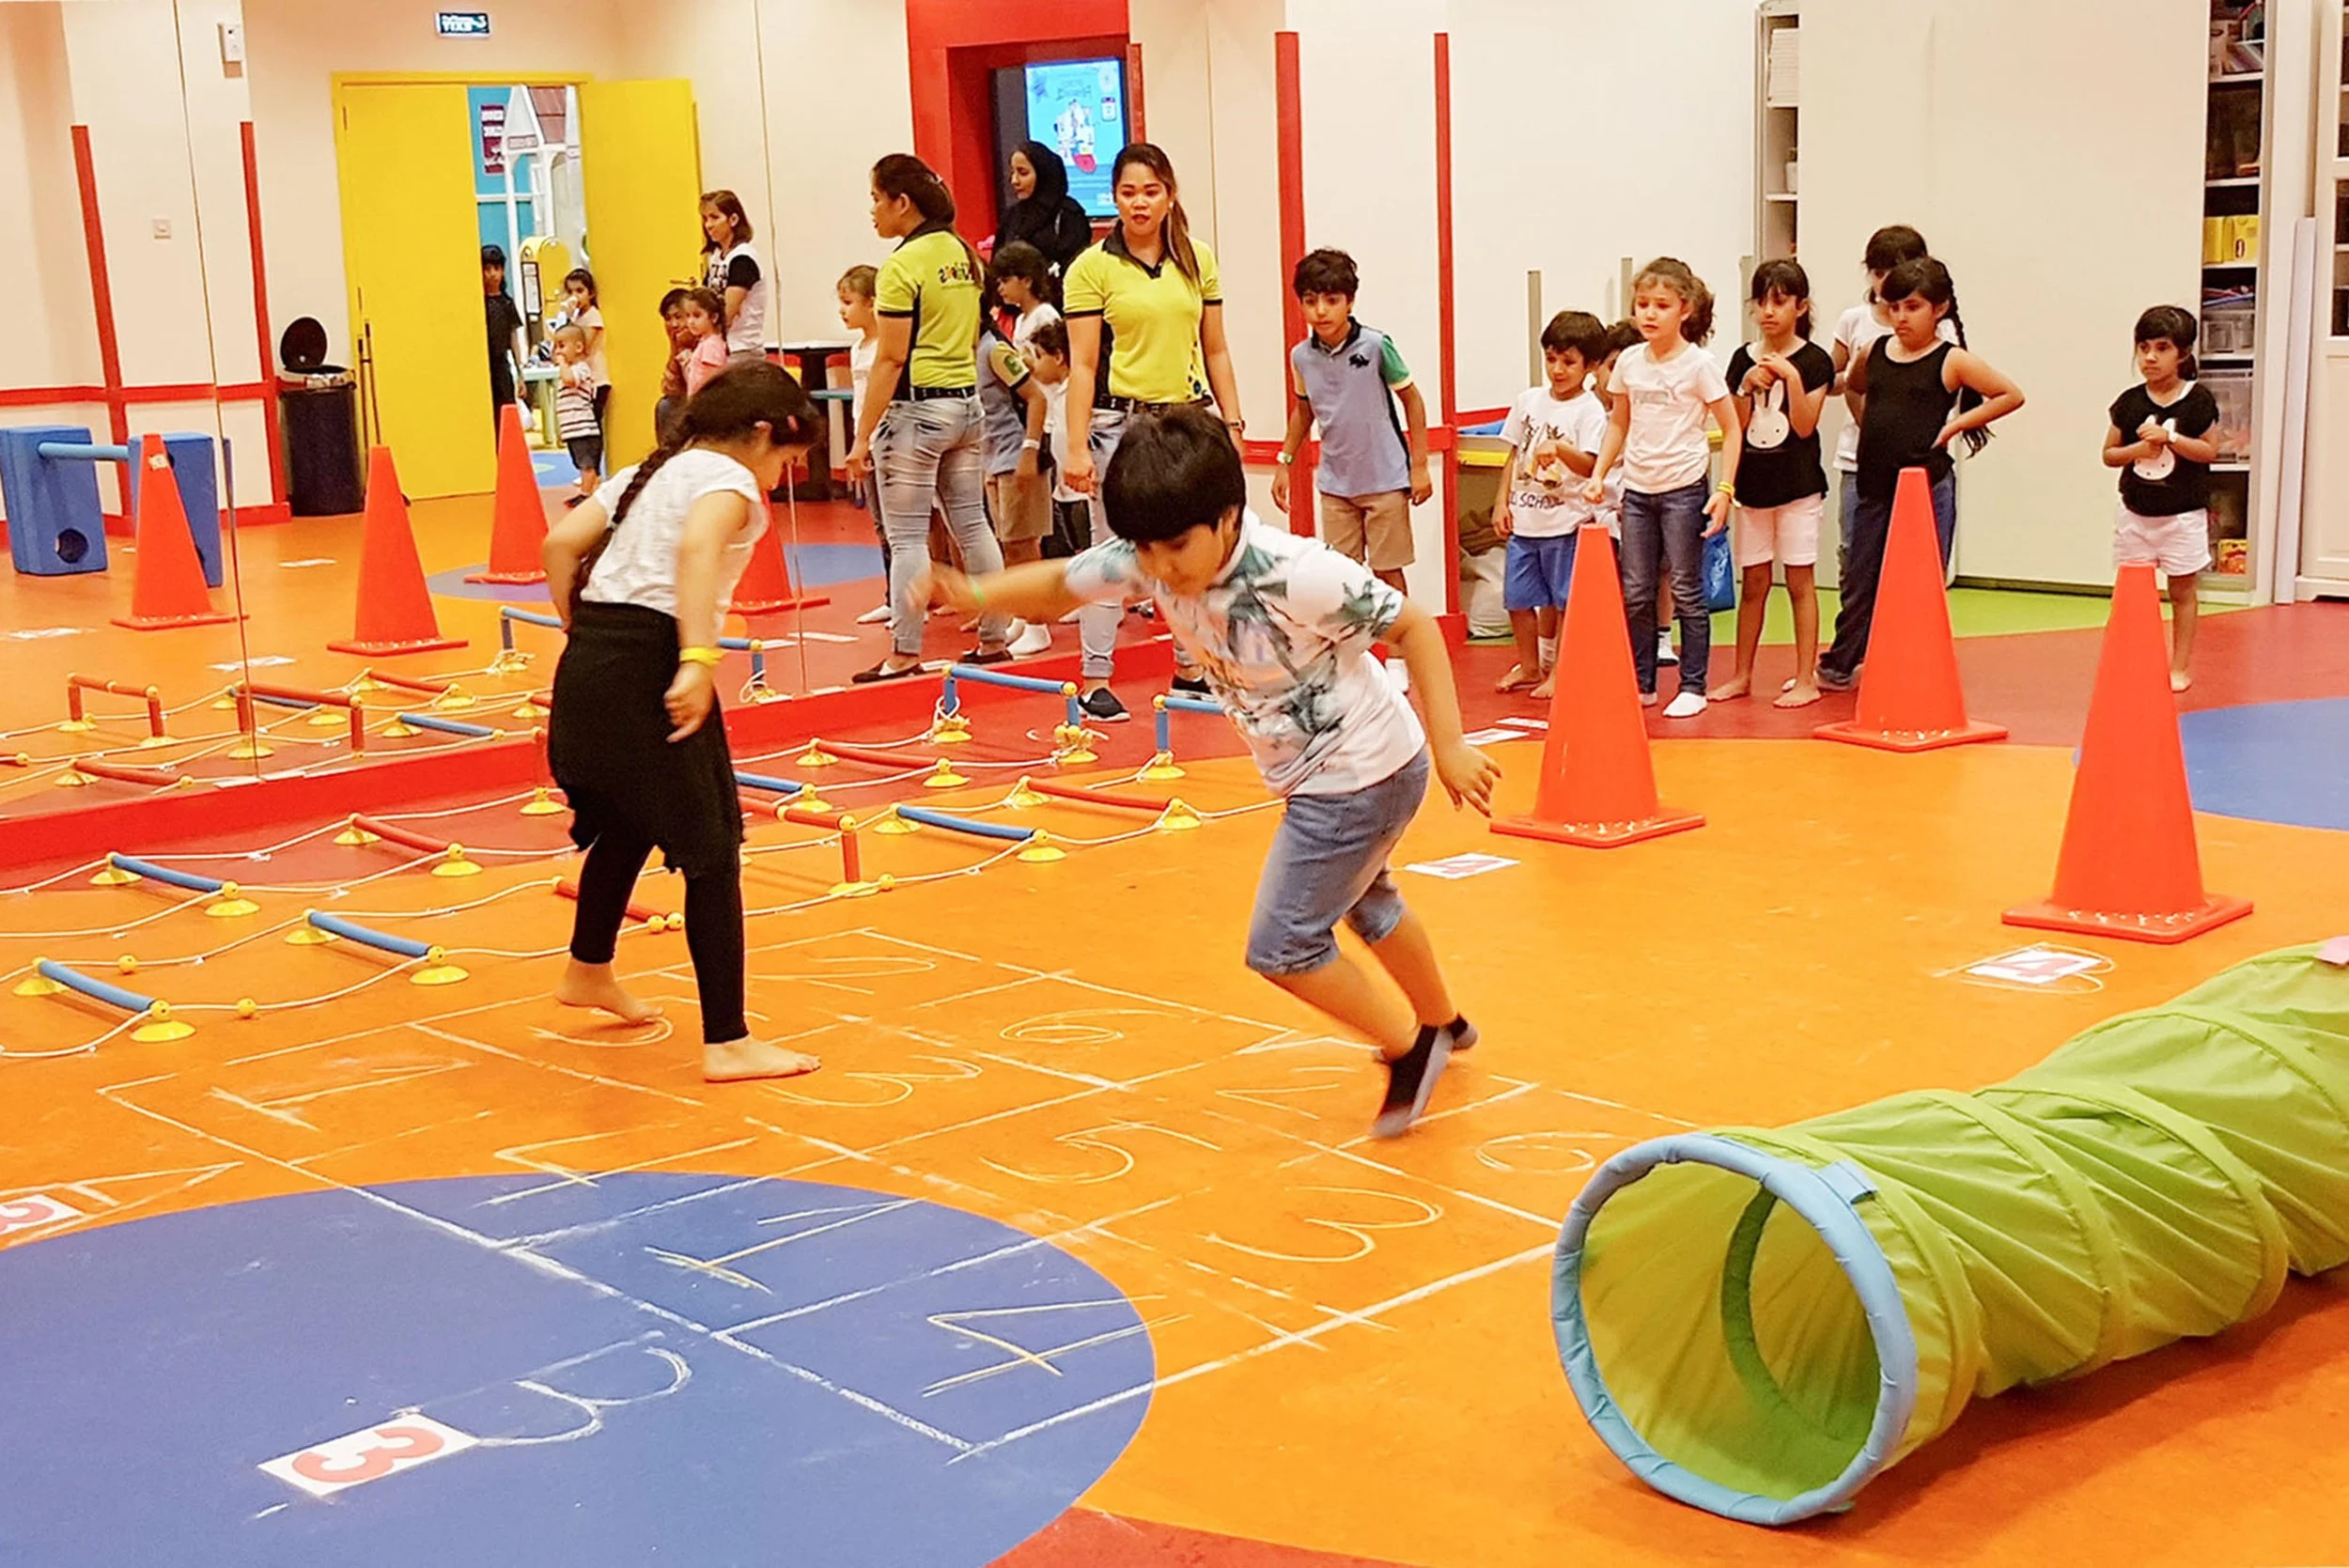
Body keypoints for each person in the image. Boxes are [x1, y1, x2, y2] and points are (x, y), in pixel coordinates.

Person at [916, 407, 1500, 1138]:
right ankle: (1446, 1020)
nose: (1161, 568)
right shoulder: (1153, 553)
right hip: (1342, 768)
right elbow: (1064, 583)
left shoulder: (1297, 572)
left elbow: (1412, 626)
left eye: (1177, 547)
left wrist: (1452, 745)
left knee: (1284, 944)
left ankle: (1410, 1049)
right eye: (1145, 549)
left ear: (1228, 518)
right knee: (1367, 900)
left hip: (1358, 772)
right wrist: (972, 593)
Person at [539, 361, 824, 1084]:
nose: (780, 476)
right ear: (761, 433)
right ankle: (727, 1039)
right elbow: (698, 550)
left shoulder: (648, 472)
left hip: (593, 655)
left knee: (633, 819)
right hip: (652, 659)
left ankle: (588, 967)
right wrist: (698, 658)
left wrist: (591, 634)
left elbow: (559, 545)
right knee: (710, 845)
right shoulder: (725, 482)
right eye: (786, 459)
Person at [1061, 143, 1241, 722]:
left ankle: (1191, 670)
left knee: (1191, 546)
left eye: (1151, 191)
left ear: (1169, 195)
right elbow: (1083, 364)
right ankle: (1094, 678)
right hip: (1121, 422)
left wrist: (1232, 424)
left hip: (1186, 417)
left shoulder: (1197, 258)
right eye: (1128, 192)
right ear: (1113, 198)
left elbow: (1215, 347)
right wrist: (1075, 445)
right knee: (1112, 551)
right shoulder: (1092, 268)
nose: (1139, 203)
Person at [844, 153, 1016, 681]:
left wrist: (861, 437)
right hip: (966, 405)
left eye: (876, 199)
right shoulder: (965, 255)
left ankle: (904, 651)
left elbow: (891, 357)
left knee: (908, 537)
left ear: (903, 203)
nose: (872, 211)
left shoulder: (902, 267)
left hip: (916, 411)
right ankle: (993, 639)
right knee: (972, 524)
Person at [1817, 256, 2026, 691]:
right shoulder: (1874, 350)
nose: (1900, 317)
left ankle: (1914, 664)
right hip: (1874, 483)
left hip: (1926, 486)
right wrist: (1868, 422)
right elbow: (1854, 386)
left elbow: (2009, 395)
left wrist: (1955, 425)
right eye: (1893, 307)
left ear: (1940, 309)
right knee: (1860, 577)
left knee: (1920, 583)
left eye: (1912, 307)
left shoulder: (1951, 360)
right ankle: (1843, 662)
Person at [1584, 258, 1742, 719]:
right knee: (1635, 590)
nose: (1650, 314)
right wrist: (1598, 474)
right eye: (1642, 305)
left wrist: (1725, 489)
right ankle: (1641, 682)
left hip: (1683, 489)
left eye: (1661, 305)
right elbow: (1619, 422)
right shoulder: (1630, 362)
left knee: (1688, 589)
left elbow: (1731, 429)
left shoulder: (1699, 366)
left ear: (1685, 310)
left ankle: (1693, 684)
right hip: (1637, 490)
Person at [1271, 247, 1433, 607]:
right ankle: (1352, 656)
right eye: (1311, 301)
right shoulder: (1301, 356)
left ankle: (1398, 659)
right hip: (1336, 485)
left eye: (1332, 300)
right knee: (1341, 578)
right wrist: (1284, 461)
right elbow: (1304, 410)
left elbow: (1413, 400)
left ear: (1350, 302)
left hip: (1385, 481)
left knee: (1388, 574)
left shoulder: (1375, 346)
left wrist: (1419, 466)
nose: (1321, 310)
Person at [1716, 259, 1834, 707]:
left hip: (1799, 487)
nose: (1769, 311)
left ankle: (1806, 677)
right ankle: (1742, 674)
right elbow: (1737, 428)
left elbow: (1804, 426)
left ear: (1800, 307)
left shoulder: (1815, 359)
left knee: (1800, 580)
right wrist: (1744, 387)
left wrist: (1791, 377)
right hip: (1754, 487)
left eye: (1780, 301)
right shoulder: (1741, 358)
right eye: (1761, 302)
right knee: (1755, 581)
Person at [1488, 310, 1610, 700]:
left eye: (1569, 362)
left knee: (1564, 602)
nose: (1558, 370)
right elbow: (1512, 456)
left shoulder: (1589, 410)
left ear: (1590, 366)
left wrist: (1559, 448)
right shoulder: (1528, 401)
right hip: (1525, 520)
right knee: (1518, 600)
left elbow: (1591, 464)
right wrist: (1500, 503)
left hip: (1565, 523)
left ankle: (1561, 671)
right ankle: (1529, 664)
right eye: (1552, 359)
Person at [2105, 304, 2217, 692]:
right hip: (2136, 513)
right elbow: (2108, 454)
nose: (2150, 357)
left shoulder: (2197, 400)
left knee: (2182, 591)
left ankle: (2179, 665)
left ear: (2182, 354)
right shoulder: (2130, 401)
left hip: (2182, 515)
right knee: (2133, 593)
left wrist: (2170, 439)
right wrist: (2138, 450)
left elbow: (2209, 451)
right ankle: (2132, 659)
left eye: (2162, 348)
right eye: (2143, 347)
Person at [1829, 225, 1935, 575]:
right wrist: (1855, 381)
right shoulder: (1854, 320)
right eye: (1877, 272)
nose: (1886, 280)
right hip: (1858, 457)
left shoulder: (1936, 326)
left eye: (1895, 271)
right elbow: (1832, 379)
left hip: (1915, 460)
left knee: (1914, 557)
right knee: (1854, 551)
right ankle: (1858, 626)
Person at [977, 316, 1055, 655]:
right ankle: (1022, 616)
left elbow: (1036, 398)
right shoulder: (965, 353)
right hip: (991, 457)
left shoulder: (994, 351)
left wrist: (1029, 450)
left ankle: (1038, 624)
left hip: (1014, 454)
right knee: (1008, 544)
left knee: (1023, 543)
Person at [837, 264, 893, 627]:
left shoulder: (885, 347)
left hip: (884, 440)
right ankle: (892, 596)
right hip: (866, 440)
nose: (842, 310)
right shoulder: (858, 348)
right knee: (880, 526)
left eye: (848, 302)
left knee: (896, 526)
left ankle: (908, 599)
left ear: (872, 303)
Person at [996, 141, 1093, 278]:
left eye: (1023, 173)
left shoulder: (1069, 214)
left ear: (1043, 173)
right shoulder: (1012, 216)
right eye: (1012, 173)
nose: (1014, 181)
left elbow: (1077, 269)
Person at [700, 190, 770, 362]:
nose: (708, 225)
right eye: (705, 219)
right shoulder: (716, 257)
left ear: (733, 219)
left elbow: (728, 312)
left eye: (714, 217)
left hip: (741, 348)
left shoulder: (743, 259)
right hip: (718, 343)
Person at [552, 324, 604, 505]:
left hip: (583, 429)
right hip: (573, 429)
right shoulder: (570, 369)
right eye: (555, 346)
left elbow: (569, 380)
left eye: (561, 345)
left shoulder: (581, 368)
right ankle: (590, 490)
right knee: (580, 463)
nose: (557, 351)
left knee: (586, 464)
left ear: (579, 348)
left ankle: (586, 494)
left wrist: (562, 363)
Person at [482, 244, 527, 434]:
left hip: (502, 365)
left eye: (497, 269)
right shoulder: (479, 303)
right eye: (487, 269)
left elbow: (513, 338)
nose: (492, 274)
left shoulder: (507, 303)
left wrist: (520, 372)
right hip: (484, 364)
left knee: (506, 409)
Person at [990, 241, 1062, 358]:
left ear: (1027, 281)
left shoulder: (1045, 316)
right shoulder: (1020, 320)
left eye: (1005, 281)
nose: (1000, 288)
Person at [677, 287, 731, 399]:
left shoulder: (711, 345)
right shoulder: (704, 343)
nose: (691, 322)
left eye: (697, 316)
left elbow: (712, 383)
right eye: (688, 316)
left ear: (714, 317)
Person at [653, 287, 691, 443]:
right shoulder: (678, 343)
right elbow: (671, 387)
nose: (674, 324)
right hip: (684, 399)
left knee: (667, 408)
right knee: (665, 405)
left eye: (678, 317)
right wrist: (674, 345)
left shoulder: (705, 342)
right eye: (668, 319)